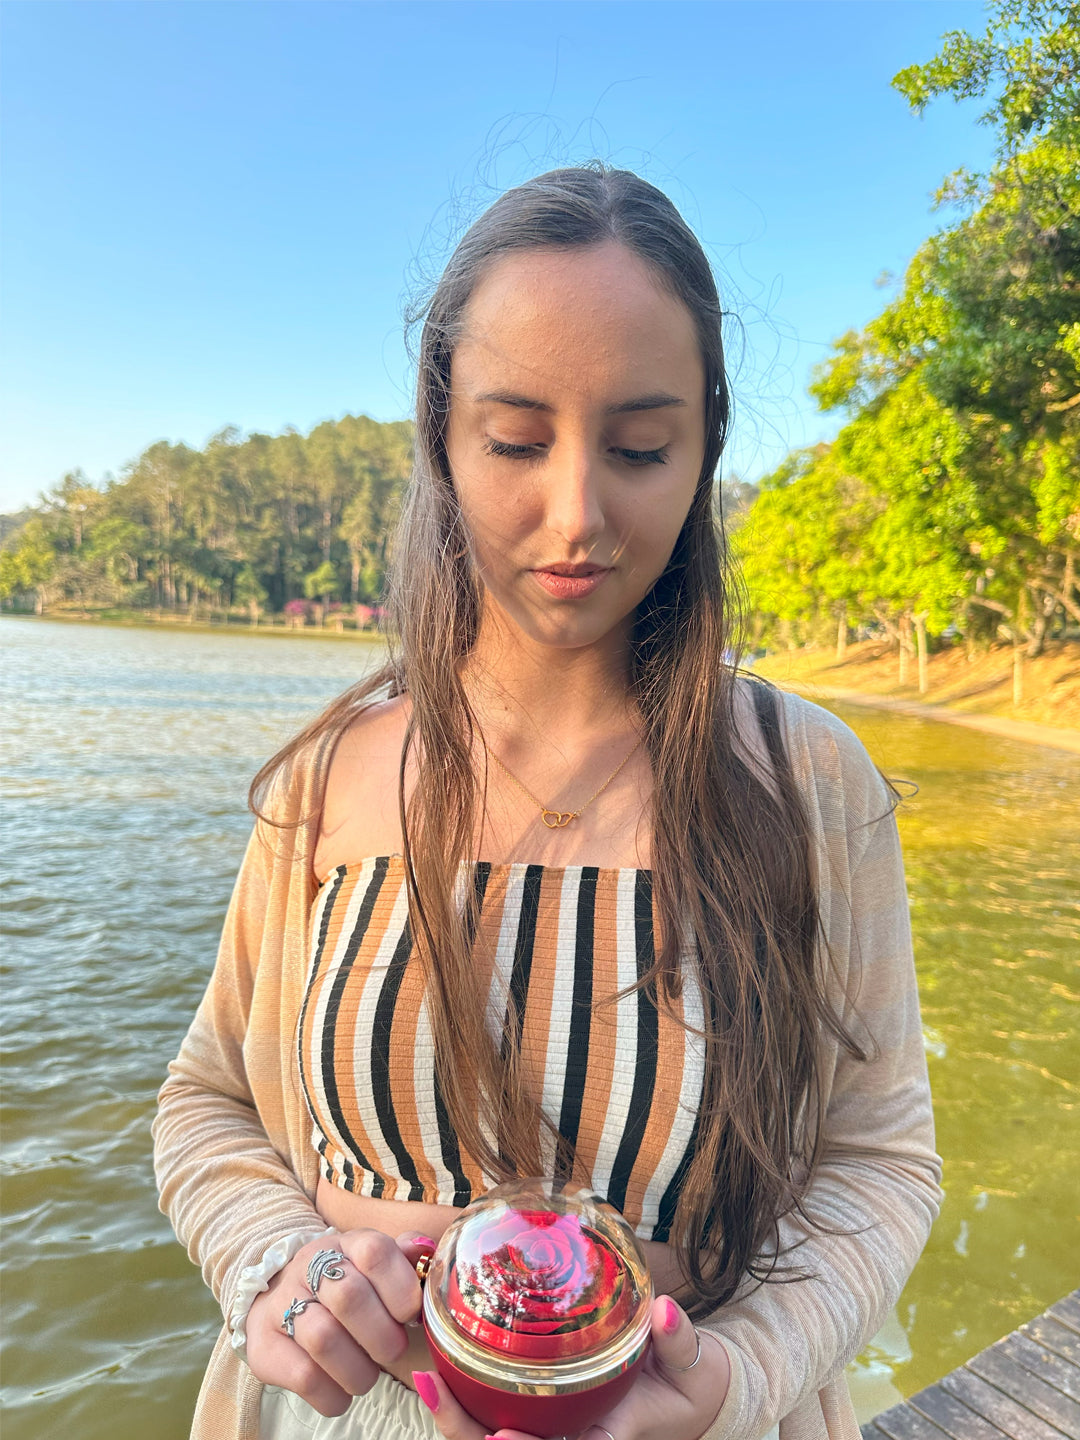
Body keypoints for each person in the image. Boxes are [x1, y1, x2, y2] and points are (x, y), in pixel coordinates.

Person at [153, 164, 942, 1440]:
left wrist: (738, 1376)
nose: (575, 515)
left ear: (704, 451)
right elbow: (209, 1104)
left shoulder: (809, 783)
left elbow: (879, 1159)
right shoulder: (327, 777)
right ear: (442, 438)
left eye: (640, 447)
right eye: (515, 439)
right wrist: (276, 1270)